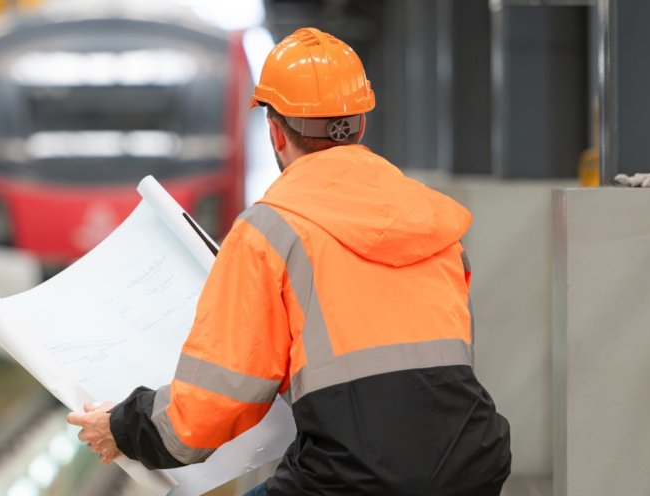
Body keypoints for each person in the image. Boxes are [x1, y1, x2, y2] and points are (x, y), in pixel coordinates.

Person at [68, 27, 511, 495]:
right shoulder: (434, 223)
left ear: (276, 132)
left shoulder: (270, 231)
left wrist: (124, 427)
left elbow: (213, 402)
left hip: (353, 480)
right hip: (472, 465)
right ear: (361, 124)